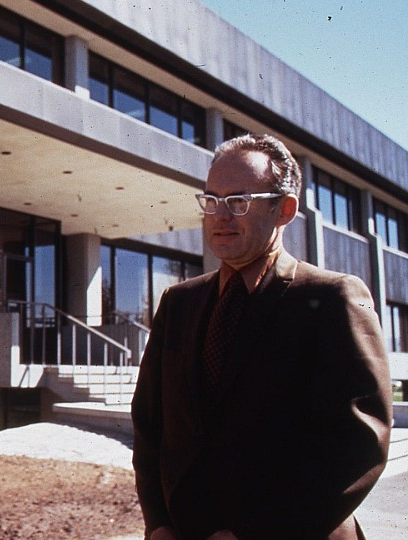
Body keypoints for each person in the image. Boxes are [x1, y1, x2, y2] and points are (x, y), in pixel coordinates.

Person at [131, 133, 392, 540]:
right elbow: (150, 427)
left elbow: (358, 442)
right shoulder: (178, 302)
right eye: (211, 201)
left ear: (284, 209)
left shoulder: (332, 296)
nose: (220, 216)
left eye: (239, 202)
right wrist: (159, 523)